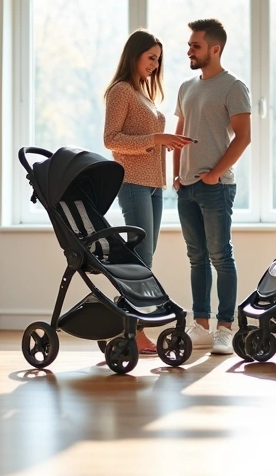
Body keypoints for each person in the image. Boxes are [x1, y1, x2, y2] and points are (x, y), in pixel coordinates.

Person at [103, 29, 193, 354]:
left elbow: (141, 139)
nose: (155, 65)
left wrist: (164, 143)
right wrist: (155, 141)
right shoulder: (121, 91)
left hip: (154, 185)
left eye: (158, 59)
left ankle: (120, 315)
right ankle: (135, 329)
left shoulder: (143, 93)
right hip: (132, 183)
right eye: (151, 58)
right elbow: (111, 139)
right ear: (134, 55)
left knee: (146, 255)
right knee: (141, 257)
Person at [173, 18, 252, 355]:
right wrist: (175, 177)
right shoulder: (186, 87)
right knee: (196, 258)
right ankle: (201, 325)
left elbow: (244, 137)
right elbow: (178, 133)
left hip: (215, 186)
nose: (189, 50)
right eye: (190, 44)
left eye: (196, 45)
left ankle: (224, 328)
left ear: (215, 49)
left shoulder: (233, 86)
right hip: (186, 187)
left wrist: (213, 174)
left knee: (221, 256)